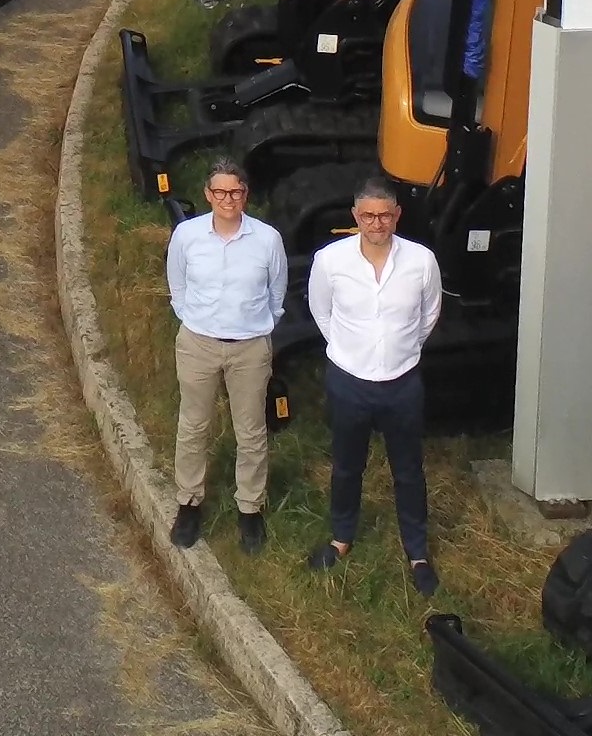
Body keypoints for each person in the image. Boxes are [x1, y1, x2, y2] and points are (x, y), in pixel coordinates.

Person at [306, 171, 444, 594]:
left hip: (402, 384)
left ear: (397, 215)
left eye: (384, 216)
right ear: (356, 215)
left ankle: (417, 552)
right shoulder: (331, 261)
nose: (376, 224)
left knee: (408, 470)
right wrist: (353, 351)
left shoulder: (422, 262)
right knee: (348, 466)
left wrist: (398, 351)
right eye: (368, 216)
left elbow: (428, 316)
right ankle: (341, 538)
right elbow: (321, 312)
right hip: (349, 382)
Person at [166, 158, 287, 556]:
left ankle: (250, 509)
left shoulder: (267, 239)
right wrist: (193, 319)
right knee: (193, 425)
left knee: (251, 431)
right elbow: (177, 284)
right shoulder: (187, 235)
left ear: (245, 195)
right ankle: (189, 503)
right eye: (220, 192)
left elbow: (276, 293)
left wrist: (258, 325)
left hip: (249, 347)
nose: (228, 199)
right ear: (208, 195)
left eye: (235, 192)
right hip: (198, 343)